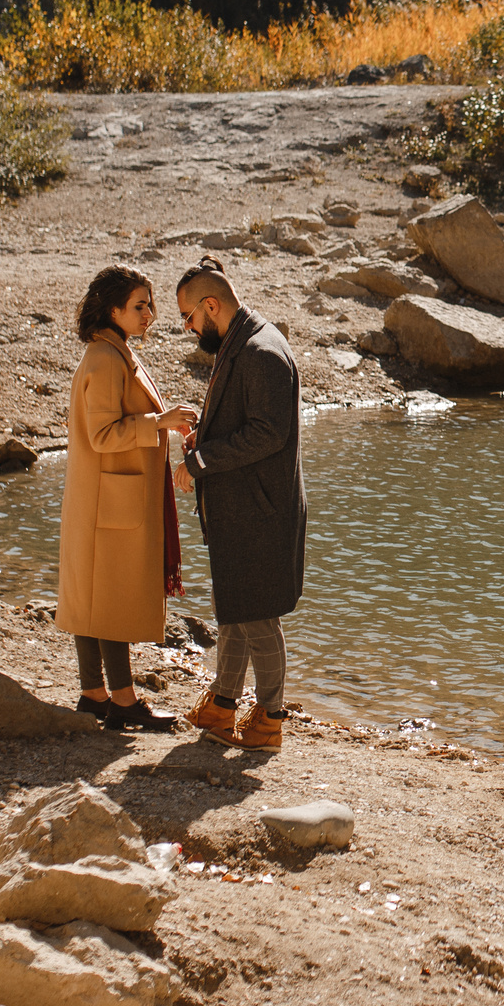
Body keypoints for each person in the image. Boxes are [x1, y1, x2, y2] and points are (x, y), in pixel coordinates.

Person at [57, 266, 197, 733]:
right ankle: (123, 701)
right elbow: (101, 434)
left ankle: (93, 694)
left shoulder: (113, 352)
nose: (150, 314)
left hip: (102, 497)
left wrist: (165, 421)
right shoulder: (105, 358)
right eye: (140, 305)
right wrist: (161, 422)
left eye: (150, 304)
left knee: (93, 598)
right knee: (109, 600)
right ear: (112, 309)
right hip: (108, 501)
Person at [173, 254, 306, 751]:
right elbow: (244, 426)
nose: (188, 328)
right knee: (234, 611)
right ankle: (223, 707)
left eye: (189, 317)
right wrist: (200, 440)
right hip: (244, 508)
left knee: (257, 618)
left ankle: (270, 721)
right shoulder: (241, 342)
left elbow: (268, 434)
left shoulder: (260, 351)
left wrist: (200, 462)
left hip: (260, 512)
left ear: (212, 305)